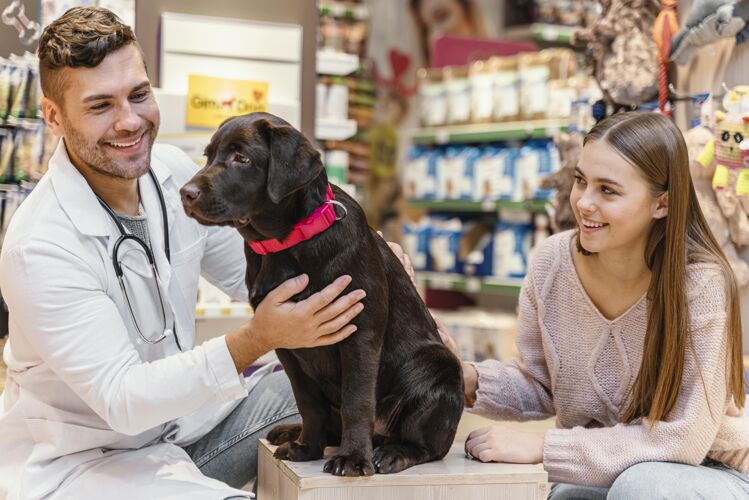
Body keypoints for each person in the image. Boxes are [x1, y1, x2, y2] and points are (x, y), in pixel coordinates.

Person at [0, 7, 410, 499]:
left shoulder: (170, 174)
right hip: (89, 462)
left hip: (184, 431)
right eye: (100, 105)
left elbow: (256, 274)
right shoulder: (39, 246)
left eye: (138, 94)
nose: (130, 121)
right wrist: (252, 340)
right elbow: (123, 400)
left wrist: (374, 275)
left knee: (367, 388)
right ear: (53, 117)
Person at [439, 111, 749, 499]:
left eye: (608, 190)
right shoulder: (552, 263)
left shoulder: (699, 283)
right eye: (581, 181)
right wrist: (465, 379)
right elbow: (541, 386)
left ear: (662, 204)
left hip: (712, 470)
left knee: (642, 488)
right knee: (567, 495)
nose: (583, 202)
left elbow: (683, 439)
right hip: (616, 470)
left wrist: (543, 448)